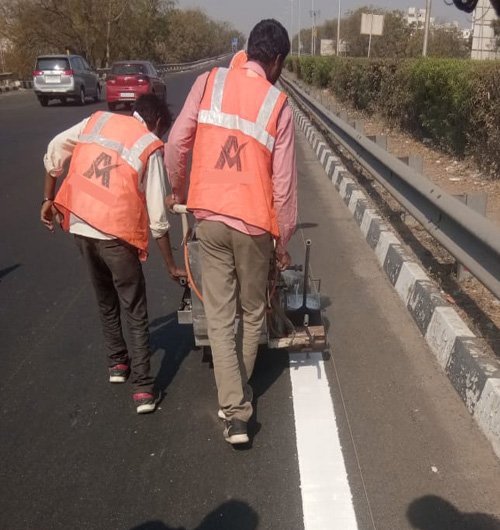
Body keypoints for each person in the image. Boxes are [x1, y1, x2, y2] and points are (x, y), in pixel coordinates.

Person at [165, 19, 297, 444]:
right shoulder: (278, 105)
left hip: (209, 217)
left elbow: (176, 143)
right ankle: (239, 397)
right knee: (253, 312)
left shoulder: (209, 82)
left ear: (249, 49)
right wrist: (283, 241)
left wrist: (178, 190)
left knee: (220, 318)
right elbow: (284, 186)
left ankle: (235, 410)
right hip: (255, 224)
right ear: (276, 61)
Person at [40, 94, 185, 414]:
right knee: (134, 308)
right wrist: (171, 266)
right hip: (115, 234)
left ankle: (118, 364)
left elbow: (54, 149)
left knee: (105, 299)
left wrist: (48, 199)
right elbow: (158, 219)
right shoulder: (149, 145)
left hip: (80, 224)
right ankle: (143, 388)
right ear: (158, 123)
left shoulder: (97, 121)